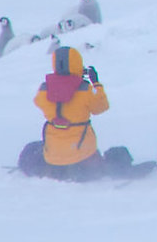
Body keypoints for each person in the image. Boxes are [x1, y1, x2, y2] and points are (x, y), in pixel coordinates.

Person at [25, 48, 139, 181]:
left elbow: (38, 102)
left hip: (53, 157)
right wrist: (96, 84)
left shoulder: (43, 90)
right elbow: (102, 107)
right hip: (83, 156)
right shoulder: (85, 90)